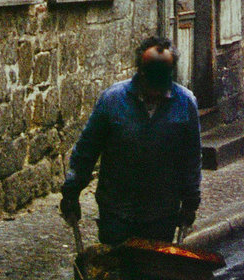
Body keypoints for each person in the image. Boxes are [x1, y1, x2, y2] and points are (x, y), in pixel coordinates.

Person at [60, 36, 201, 245]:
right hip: (117, 212)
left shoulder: (185, 103)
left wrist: (191, 201)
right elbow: (86, 150)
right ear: (140, 71)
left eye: (161, 79)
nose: (155, 89)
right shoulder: (112, 100)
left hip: (161, 214)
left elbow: (191, 157)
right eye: (151, 78)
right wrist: (71, 191)